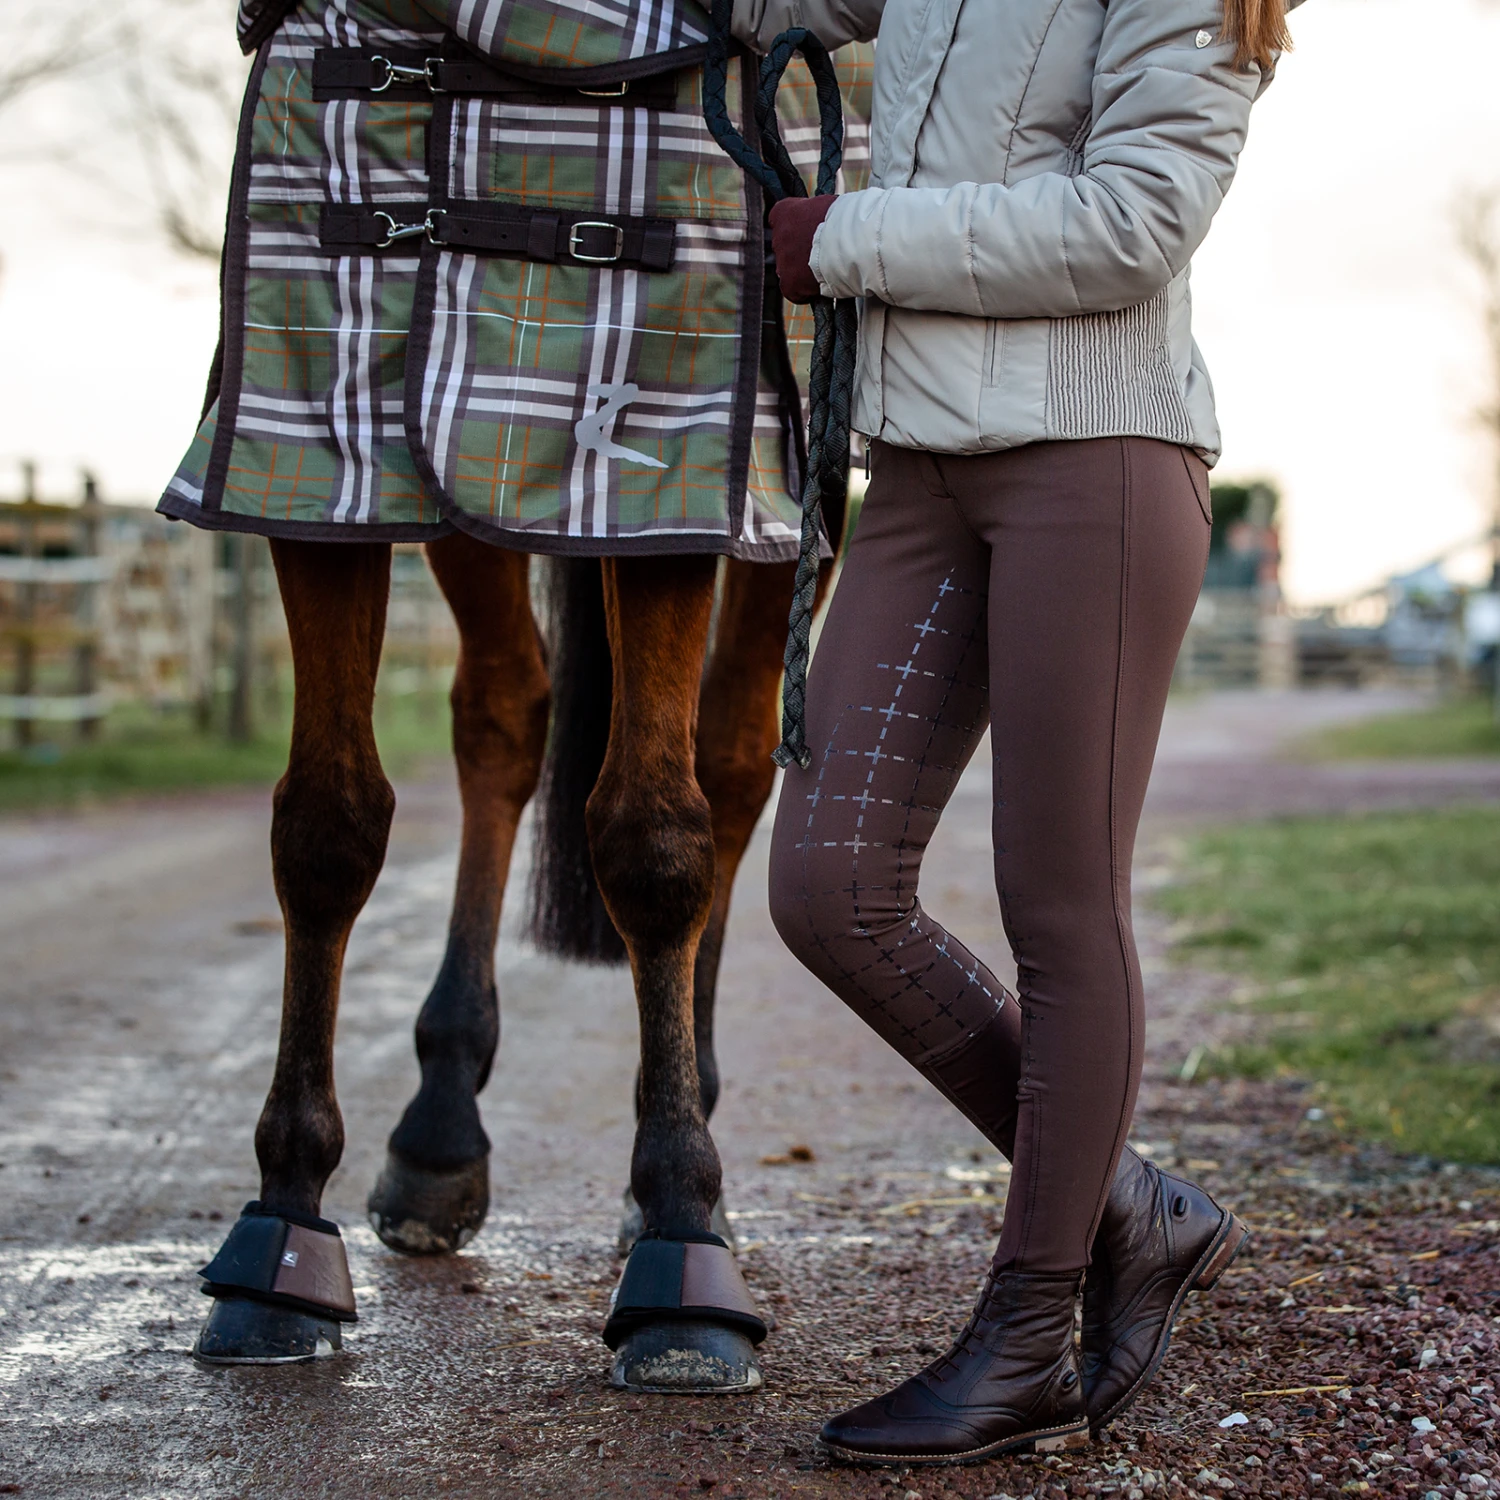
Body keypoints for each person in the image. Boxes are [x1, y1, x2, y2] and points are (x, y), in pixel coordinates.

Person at [739, 0, 1302, 1465]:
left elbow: (1135, 219)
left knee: (1060, 904)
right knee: (826, 887)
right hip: (923, 468)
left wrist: (847, 242)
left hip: (1094, 460)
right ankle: (1130, 1208)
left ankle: (1029, 1337)